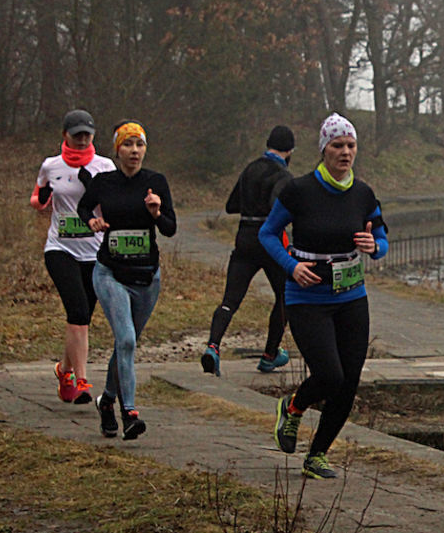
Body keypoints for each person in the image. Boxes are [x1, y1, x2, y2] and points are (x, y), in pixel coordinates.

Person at [259, 114, 388, 480]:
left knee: (349, 381)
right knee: (329, 375)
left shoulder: (363, 193)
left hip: (351, 297)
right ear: (323, 150)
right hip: (307, 297)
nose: (345, 152)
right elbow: (268, 234)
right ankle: (293, 408)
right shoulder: (298, 190)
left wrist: (373, 246)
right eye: (337, 146)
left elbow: (381, 239)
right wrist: (290, 266)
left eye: (350, 146)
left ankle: (317, 455)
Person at [77, 120, 177, 440]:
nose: (134, 151)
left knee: (125, 343)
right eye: (128, 145)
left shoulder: (155, 182)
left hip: (147, 278)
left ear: (145, 149)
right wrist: (92, 220)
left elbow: (170, 228)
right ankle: (129, 411)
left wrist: (157, 212)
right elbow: (82, 207)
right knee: (128, 340)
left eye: (140, 145)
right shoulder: (104, 182)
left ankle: (106, 401)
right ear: (117, 149)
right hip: (110, 274)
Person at [31, 109, 116, 405]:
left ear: (93, 136)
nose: (81, 140)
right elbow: (39, 196)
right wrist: (40, 201)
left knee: (81, 319)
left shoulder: (104, 166)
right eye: (76, 134)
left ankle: (64, 370)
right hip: (60, 249)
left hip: (95, 252)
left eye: (86, 135)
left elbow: (113, 203)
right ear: (64, 135)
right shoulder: (50, 166)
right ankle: (81, 380)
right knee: (77, 311)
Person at [200, 126, 296, 377]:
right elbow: (278, 207)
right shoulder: (283, 175)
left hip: (244, 238)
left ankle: (213, 346)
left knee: (230, 300)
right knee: (285, 297)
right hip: (271, 241)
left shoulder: (250, 169)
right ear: (290, 151)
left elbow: (231, 205)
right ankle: (269, 355)